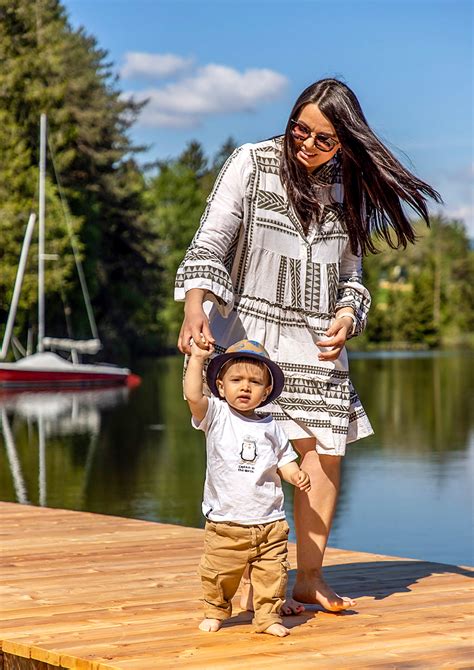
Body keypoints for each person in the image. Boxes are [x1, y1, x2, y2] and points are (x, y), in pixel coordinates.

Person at [175, 77, 441, 613]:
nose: (308, 144)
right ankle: (248, 575)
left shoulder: (350, 186)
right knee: (245, 450)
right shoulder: (251, 162)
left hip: (317, 338)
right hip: (251, 331)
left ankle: (309, 577)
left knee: (322, 454)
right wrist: (193, 306)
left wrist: (348, 313)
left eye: (324, 138)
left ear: (345, 140)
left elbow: (352, 273)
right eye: (301, 129)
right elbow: (213, 236)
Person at [184, 338, 311, 636]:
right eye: (236, 380)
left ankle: (267, 617)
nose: (245, 387)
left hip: (269, 522)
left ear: (266, 391)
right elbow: (192, 395)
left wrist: (295, 475)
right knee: (219, 573)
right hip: (226, 522)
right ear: (220, 384)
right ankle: (216, 611)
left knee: (272, 575)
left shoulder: (271, 426)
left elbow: (284, 460)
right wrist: (197, 359)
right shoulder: (215, 415)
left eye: (254, 382)